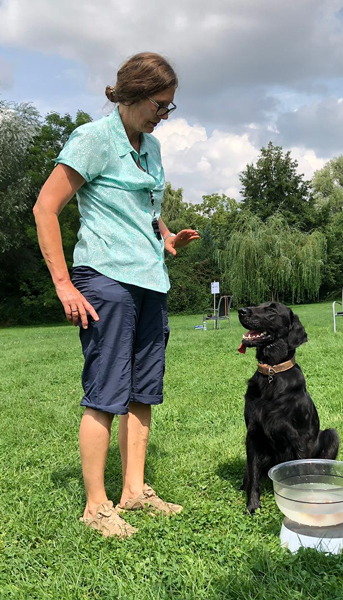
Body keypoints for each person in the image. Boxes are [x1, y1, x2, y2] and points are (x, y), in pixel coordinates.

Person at [33, 52, 199, 538]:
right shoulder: (92, 139)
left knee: (143, 392)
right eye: (159, 105)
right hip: (104, 279)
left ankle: (134, 491)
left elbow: (146, 205)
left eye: (169, 106)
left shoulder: (152, 146)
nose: (163, 115)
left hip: (151, 280)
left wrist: (165, 237)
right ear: (131, 95)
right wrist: (63, 284)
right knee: (106, 393)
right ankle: (96, 506)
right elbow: (45, 208)